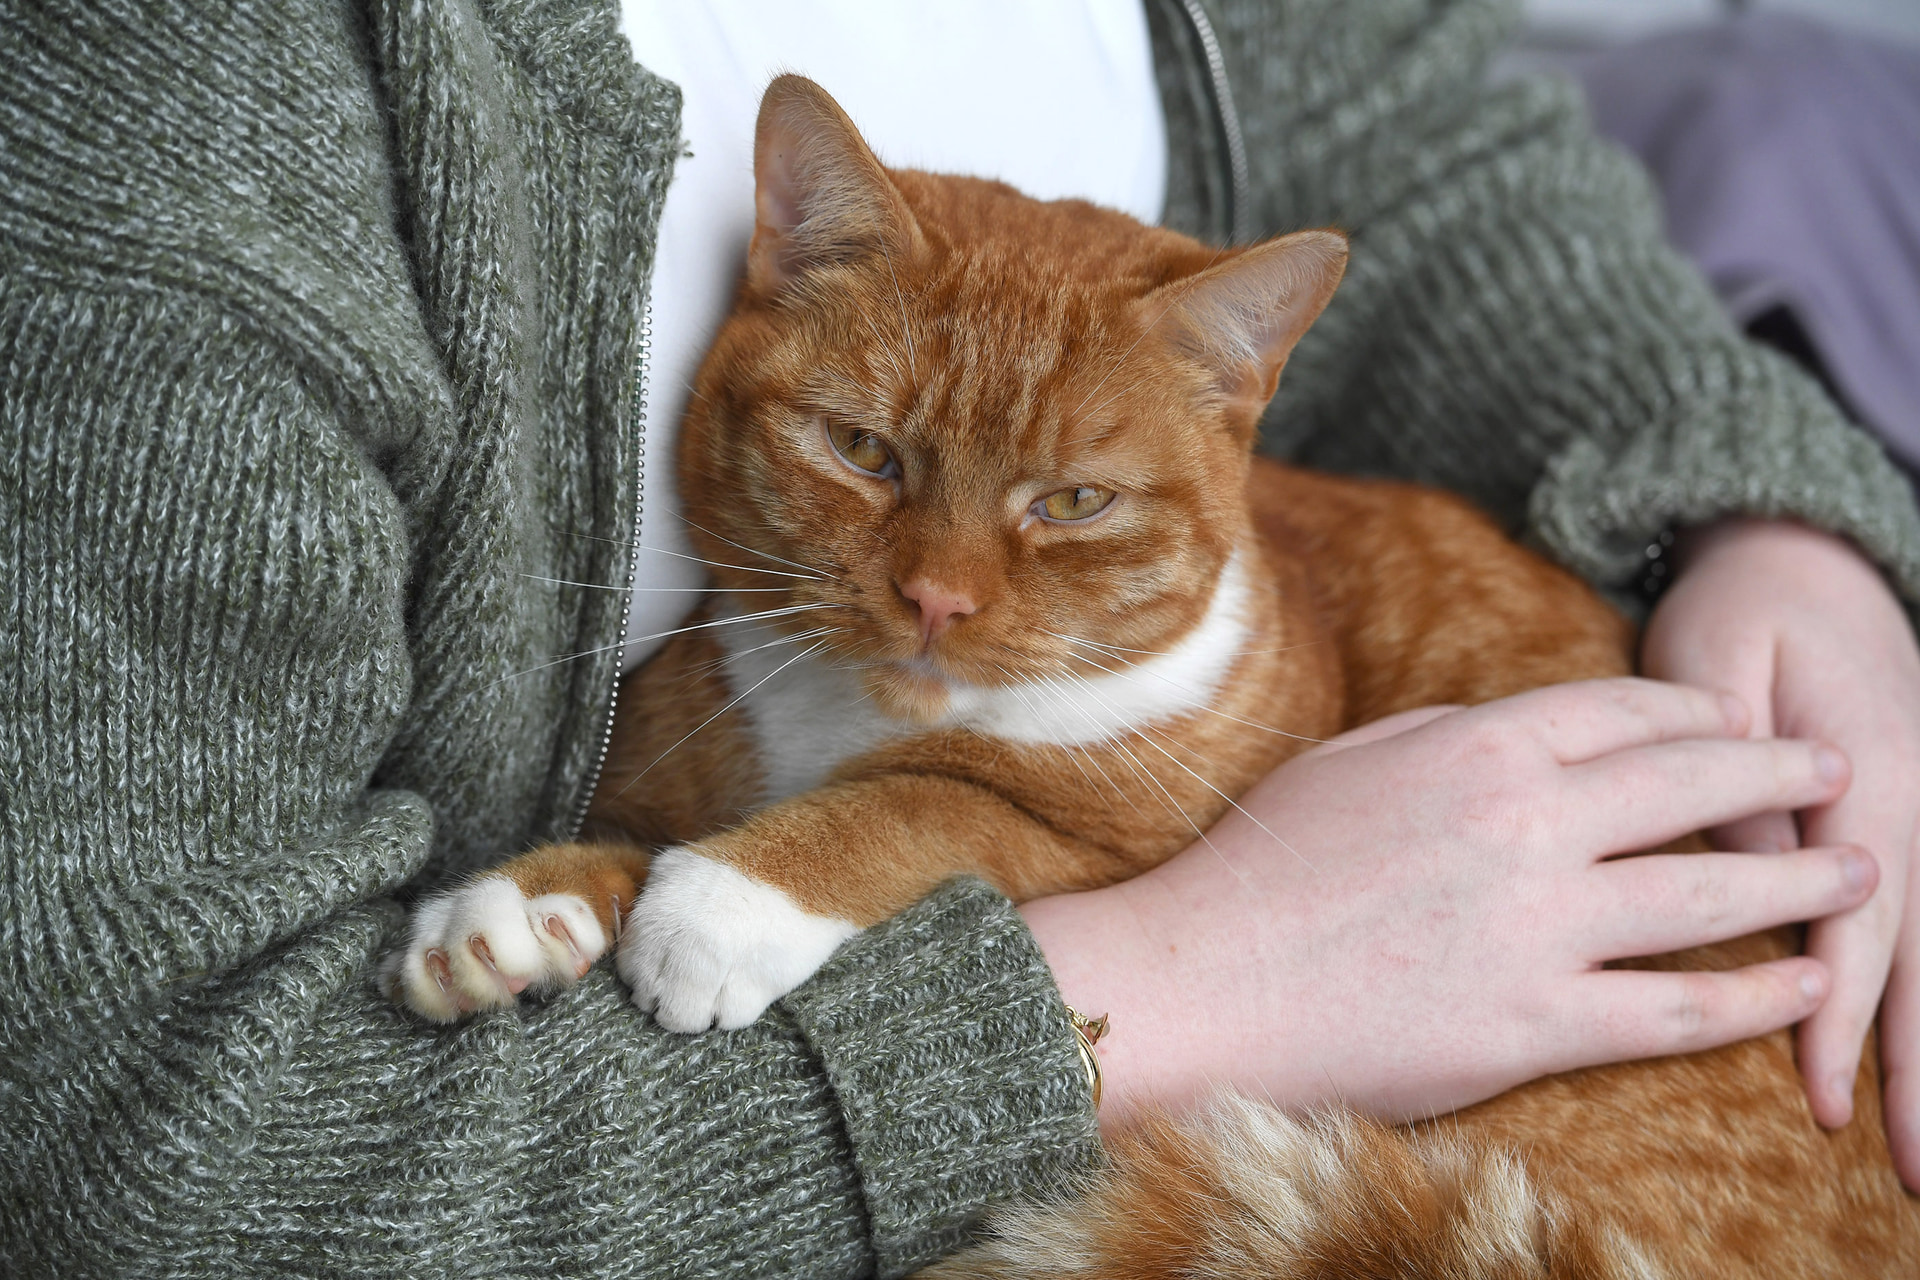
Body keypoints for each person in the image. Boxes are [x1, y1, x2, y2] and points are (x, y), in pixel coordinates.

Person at [2, 1, 1916, 1276]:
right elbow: (148, 1158)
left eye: (1055, 514)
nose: (939, 594)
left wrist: (1779, 525)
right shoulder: (194, 126)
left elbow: (1404, 116)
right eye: (858, 458)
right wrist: (1172, 988)